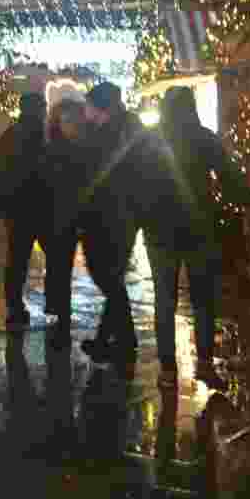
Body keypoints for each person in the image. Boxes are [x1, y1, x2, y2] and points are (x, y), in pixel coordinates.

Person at [144, 86, 250, 392]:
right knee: (203, 299)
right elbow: (229, 177)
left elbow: (134, 183)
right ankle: (204, 363)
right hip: (199, 227)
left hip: (159, 230)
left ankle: (168, 370)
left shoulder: (150, 139)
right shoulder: (204, 137)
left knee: (164, 300)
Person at [80, 80, 151, 376]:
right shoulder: (131, 128)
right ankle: (112, 340)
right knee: (112, 277)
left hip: (108, 215)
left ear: (101, 109)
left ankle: (124, 341)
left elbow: (97, 172)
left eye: (90, 107)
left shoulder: (109, 134)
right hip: (125, 215)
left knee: (107, 276)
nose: (86, 112)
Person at [0, 92, 50, 328]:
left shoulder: (10, 135)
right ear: (39, 109)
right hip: (44, 207)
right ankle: (54, 302)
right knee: (55, 256)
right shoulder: (46, 135)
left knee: (17, 260)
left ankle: (15, 307)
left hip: (18, 209)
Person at [42, 97, 92, 350]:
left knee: (60, 264)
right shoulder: (56, 149)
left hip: (69, 215)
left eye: (74, 119)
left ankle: (57, 310)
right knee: (59, 264)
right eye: (67, 120)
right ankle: (58, 312)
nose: (72, 124)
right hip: (58, 216)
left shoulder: (76, 147)